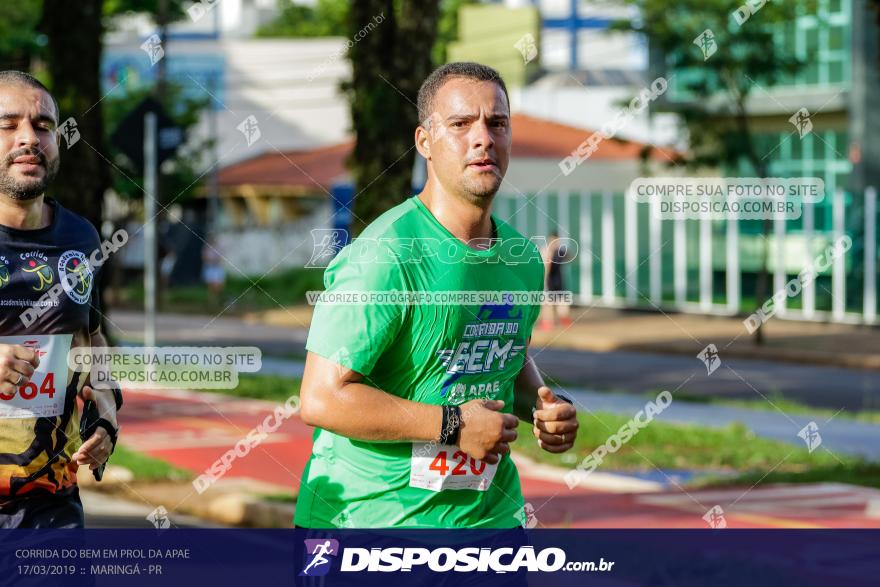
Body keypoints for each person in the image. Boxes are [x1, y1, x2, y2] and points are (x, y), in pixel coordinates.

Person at [295, 62, 579, 529]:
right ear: (424, 142)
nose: (483, 137)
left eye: (497, 123)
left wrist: (545, 409)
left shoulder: (522, 260)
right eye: (461, 124)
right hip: (374, 526)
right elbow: (322, 399)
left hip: (489, 524)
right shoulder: (385, 256)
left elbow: (505, 355)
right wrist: (454, 425)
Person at [0, 71, 121, 528]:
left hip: (47, 509)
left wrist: (106, 414)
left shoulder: (81, 236)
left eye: (43, 125)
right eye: (8, 124)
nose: (29, 138)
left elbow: (90, 338)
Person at [538, 230, 572, 330]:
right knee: (547, 305)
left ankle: (561, 324)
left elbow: (569, 256)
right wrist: (543, 282)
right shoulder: (546, 251)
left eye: (556, 241)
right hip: (548, 281)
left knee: (561, 305)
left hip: (557, 281)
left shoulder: (559, 251)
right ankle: (547, 324)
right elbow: (544, 267)